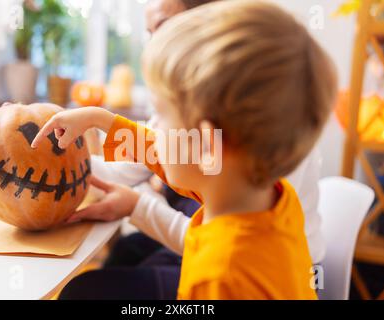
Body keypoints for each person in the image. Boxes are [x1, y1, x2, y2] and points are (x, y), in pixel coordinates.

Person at [31, 0, 337, 299]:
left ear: (205, 145)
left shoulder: (216, 277)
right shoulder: (264, 194)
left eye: (161, 114)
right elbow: (169, 153)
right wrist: (103, 120)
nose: (153, 125)